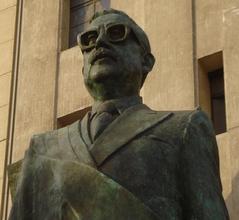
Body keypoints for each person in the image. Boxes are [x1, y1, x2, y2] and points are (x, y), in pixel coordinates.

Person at [9, 9, 229, 220]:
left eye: (116, 33)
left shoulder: (183, 127)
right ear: (83, 69)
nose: (99, 43)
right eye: (89, 39)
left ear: (146, 62)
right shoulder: (43, 148)